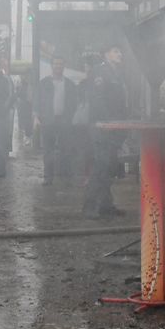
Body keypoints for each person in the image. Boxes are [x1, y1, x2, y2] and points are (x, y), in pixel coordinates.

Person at [82, 44, 129, 218]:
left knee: (109, 167)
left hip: (115, 127)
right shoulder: (100, 72)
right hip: (102, 127)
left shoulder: (117, 72)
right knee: (101, 167)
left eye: (120, 50)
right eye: (116, 51)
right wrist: (108, 121)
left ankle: (106, 205)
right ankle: (90, 207)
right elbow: (97, 99)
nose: (120, 54)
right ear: (106, 54)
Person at [35, 55, 78, 184]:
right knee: (48, 151)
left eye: (60, 64)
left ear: (64, 66)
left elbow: (74, 103)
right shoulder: (43, 83)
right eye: (55, 64)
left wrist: (71, 117)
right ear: (51, 66)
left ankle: (65, 177)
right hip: (48, 121)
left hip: (64, 121)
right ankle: (48, 178)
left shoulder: (70, 84)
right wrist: (36, 117)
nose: (58, 66)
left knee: (66, 150)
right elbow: (37, 101)